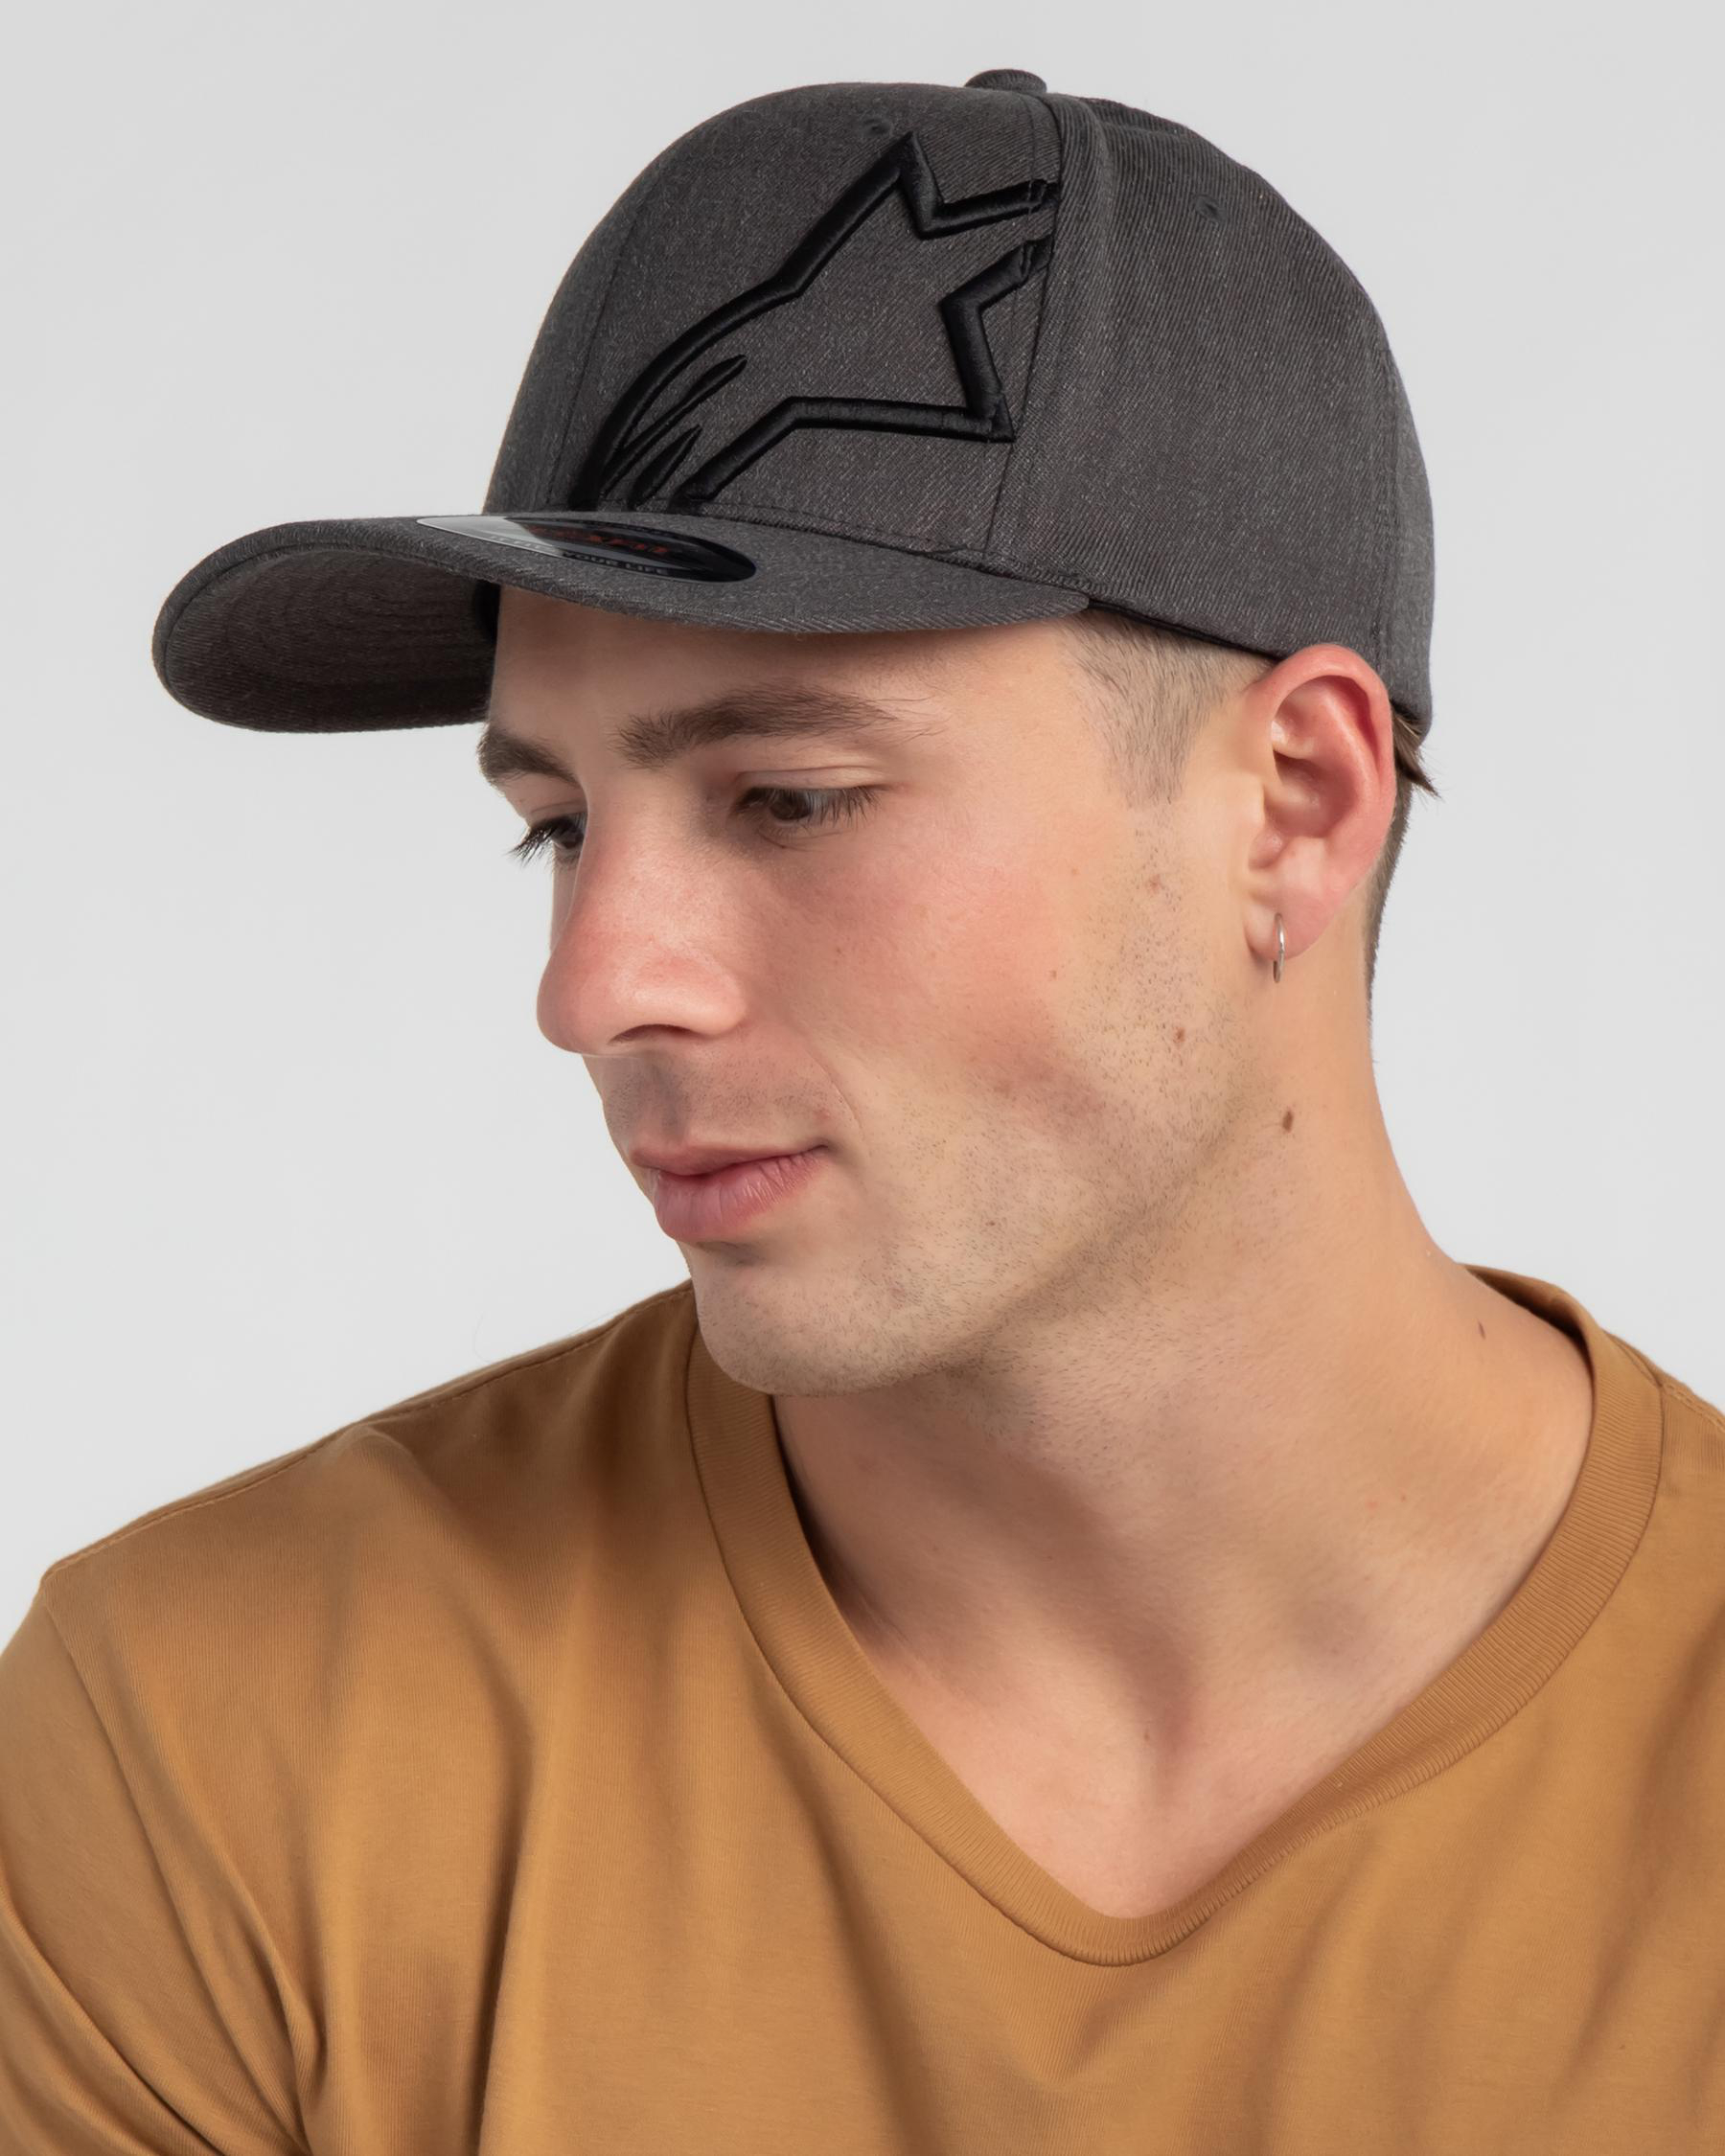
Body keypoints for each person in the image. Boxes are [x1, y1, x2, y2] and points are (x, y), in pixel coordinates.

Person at [4, 65, 1721, 2155]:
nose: (592, 988)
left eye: (790, 800)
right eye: (558, 823)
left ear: (1293, 805)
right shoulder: (221, 1734)